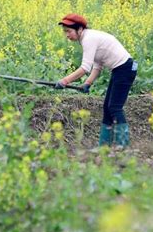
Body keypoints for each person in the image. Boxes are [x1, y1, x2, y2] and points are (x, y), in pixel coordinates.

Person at [55, 13, 137, 148]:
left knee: (115, 107)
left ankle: (123, 146)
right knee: (107, 107)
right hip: (120, 69)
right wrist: (88, 83)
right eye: (65, 32)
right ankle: (104, 146)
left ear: (80, 29)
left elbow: (85, 68)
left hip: (125, 69)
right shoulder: (87, 38)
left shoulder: (88, 39)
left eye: (69, 31)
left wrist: (65, 80)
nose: (67, 35)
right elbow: (97, 65)